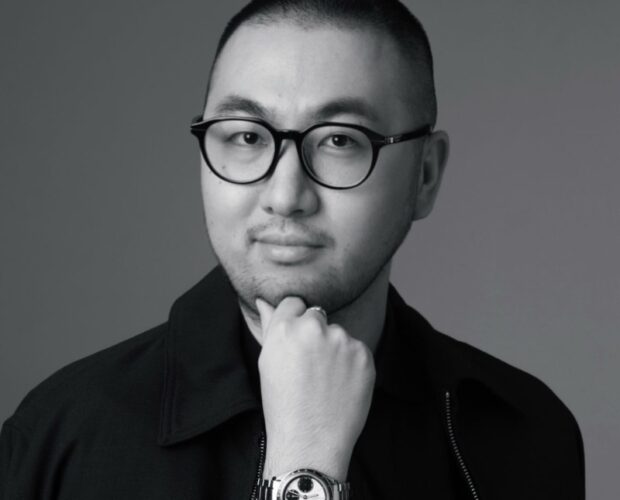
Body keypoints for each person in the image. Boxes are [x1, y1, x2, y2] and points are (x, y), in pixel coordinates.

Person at [0, 1, 585, 499]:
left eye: (339, 141)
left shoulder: (524, 435)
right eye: (247, 136)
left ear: (425, 175)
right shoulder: (61, 439)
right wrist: (307, 464)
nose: (284, 196)